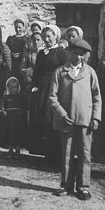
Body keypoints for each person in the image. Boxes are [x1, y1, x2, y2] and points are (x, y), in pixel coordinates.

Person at [49, 37, 101, 200]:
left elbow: (97, 96)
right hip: (66, 120)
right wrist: (62, 114)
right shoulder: (60, 72)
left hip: (85, 119)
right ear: (69, 52)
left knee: (85, 153)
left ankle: (83, 186)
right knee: (67, 153)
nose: (78, 57)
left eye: (82, 55)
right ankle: (66, 185)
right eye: (75, 54)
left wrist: (96, 118)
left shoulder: (90, 72)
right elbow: (52, 97)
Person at [28, 24, 69, 163]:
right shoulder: (41, 52)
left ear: (56, 36)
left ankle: (55, 155)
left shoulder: (61, 52)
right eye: (44, 37)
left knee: (52, 119)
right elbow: (37, 72)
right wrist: (34, 86)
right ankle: (42, 152)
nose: (46, 39)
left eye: (49, 37)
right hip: (41, 88)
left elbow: (65, 72)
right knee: (40, 117)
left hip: (55, 87)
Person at [0, 77, 27, 157]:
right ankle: (10, 149)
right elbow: (2, 105)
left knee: (18, 133)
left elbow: (25, 106)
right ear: (8, 88)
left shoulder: (21, 97)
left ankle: (17, 150)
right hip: (9, 118)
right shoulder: (6, 97)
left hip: (18, 118)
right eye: (12, 87)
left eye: (16, 87)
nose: (14, 89)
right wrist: (3, 111)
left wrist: (23, 111)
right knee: (10, 133)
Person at [6, 19, 29, 84]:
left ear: (23, 27)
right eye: (16, 27)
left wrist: (21, 54)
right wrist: (11, 54)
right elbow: (7, 50)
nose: (18, 29)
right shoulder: (11, 39)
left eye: (20, 27)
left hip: (22, 62)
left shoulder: (26, 38)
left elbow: (28, 51)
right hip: (13, 63)